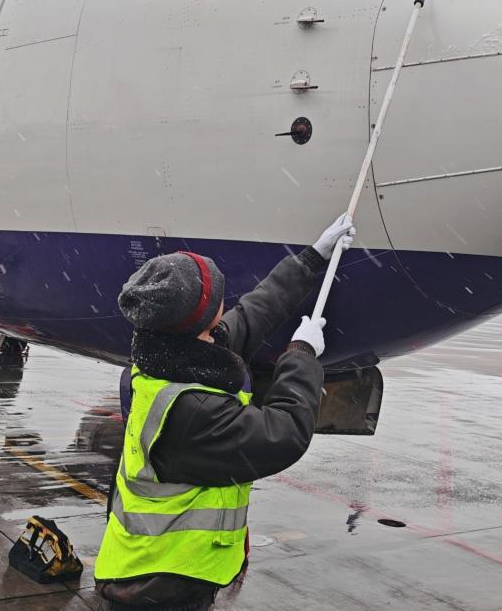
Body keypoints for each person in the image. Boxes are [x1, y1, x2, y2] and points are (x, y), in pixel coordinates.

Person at [94, 214, 355, 611]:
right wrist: (301, 356)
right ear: (199, 320)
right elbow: (284, 433)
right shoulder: (190, 411)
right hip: (162, 586)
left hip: (144, 570)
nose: (226, 304)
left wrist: (311, 259)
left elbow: (252, 314)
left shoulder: (155, 363)